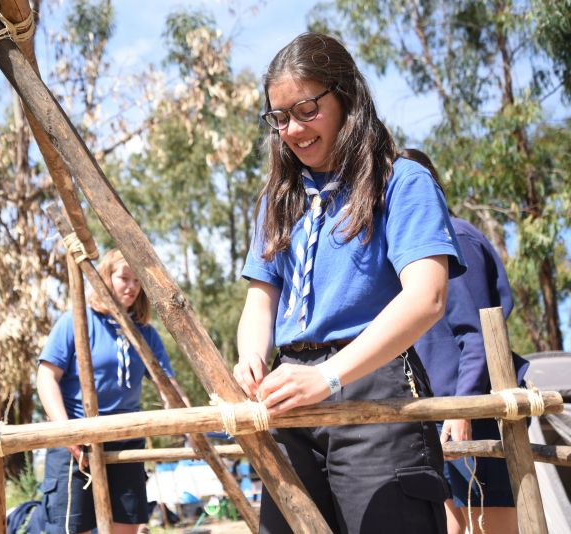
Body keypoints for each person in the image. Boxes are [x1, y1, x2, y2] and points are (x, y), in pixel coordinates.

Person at [233, 33, 466, 534]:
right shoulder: (277, 200)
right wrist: (250, 356)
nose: (292, 130)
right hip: (289, 388)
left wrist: (330, 376)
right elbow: (260, 299)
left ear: (347, 98)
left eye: (306, 109)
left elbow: (428, 297)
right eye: (279, 118)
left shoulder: (402, 181)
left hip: (373, 386)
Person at [404, 148, 529, 534]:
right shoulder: (416, 254)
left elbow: (478, 334)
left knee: (489, 525)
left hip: (472, 410)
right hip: (438, 413)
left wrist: (463, 409)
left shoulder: (453, 238)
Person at [37, 249, 184, 534]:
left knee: (127, 527)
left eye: (137, 281)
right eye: (123, 278)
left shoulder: (146, 333)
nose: (131, 286)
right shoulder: (75, 321)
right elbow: (46, 377)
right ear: (106, 277)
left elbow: (168, 386)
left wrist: (185, 417)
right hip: (76, 440)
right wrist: (66, 432)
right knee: (72, 527)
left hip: (126, 438)